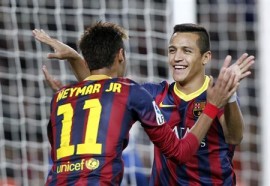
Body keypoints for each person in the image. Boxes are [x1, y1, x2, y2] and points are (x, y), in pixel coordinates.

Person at [33, 23, 255, 185]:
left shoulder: (217, 94)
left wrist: (230, 95)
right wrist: (75, 62)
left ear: (205, 57)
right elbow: (107, 89)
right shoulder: (153, 93)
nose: (177, 57)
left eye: (186, 51)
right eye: (172, 50)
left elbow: (234, 137)